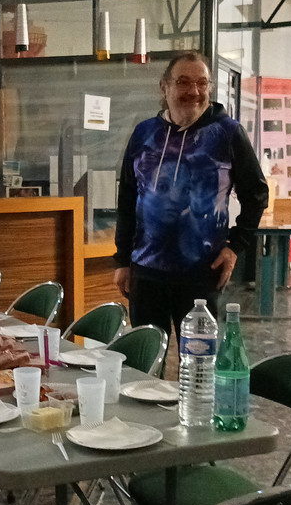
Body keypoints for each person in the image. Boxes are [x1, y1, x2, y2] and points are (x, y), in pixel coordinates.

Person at [113, 51, 268, 338]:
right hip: (146, 272)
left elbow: (256, 193)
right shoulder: (143, 134)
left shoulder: (228, 133)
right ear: (165, 86)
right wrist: (122, 259)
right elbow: (126, 197)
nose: (193, 92)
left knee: (198, 366)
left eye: (202, 83)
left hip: (201, 274)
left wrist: (235, 247)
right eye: (183, 82)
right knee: (145, 364)